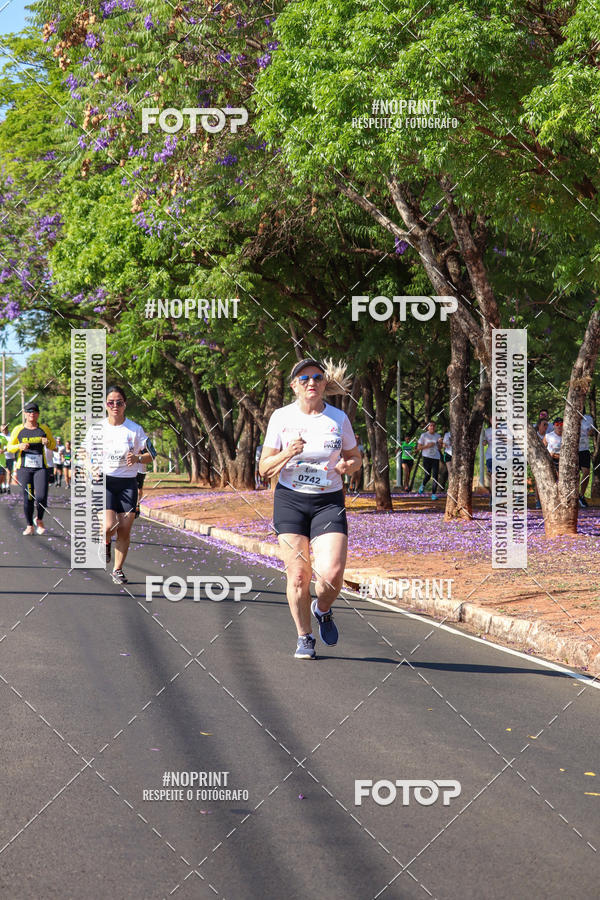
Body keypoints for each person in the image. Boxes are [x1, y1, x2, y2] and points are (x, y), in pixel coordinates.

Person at [259, 359, 362, 660]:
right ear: (293, 385)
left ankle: (323, 608)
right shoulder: (281, 418)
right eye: (304, 379)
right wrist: (287, 453)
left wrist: (348, 466)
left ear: (325, 383)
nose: (311, 383)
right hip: (290, 500)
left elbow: (356, 457)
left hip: (328, 501)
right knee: (299, 577)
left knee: (331, 575)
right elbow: (264, 469)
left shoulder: (338, 418)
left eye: (317, 377)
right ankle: (304, 637)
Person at [85, 386, 152, 584]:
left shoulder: (135, 429)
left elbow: (151, 455)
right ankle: (105, 541)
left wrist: (138, 458)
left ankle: (118, 570)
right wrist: (91, 467)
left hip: (127, 483)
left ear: (125, 404)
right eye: (111, 402)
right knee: (109, 526)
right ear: (105, 405)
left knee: (124, 528)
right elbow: (83, 453)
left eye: (119, 402)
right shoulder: (97, 429)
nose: (115, 406)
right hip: (104, 481)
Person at [7, 402, 56, 536]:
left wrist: (48, 443)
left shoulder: (44, 429)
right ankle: (29, 525)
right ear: (25, 414)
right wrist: (19, 446)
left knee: (41, 496)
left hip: (41, 468)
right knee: (28, 497)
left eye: (34, 412)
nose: (31, 414)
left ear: (38, 414)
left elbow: (54, 446)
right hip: (24, 468)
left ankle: (39, 519)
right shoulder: (18, 429)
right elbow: (10, 447)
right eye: (29, 412)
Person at [416, 421, 443, 500]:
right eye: (430, 426)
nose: (432, 427)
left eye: (434, 426)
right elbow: (419, 448)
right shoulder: (424, 435)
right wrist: (427, 446)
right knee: (427, 476)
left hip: (436, 457)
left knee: (435, 476)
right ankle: (422, 485)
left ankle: (433, 494)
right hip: (426, 457)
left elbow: (440, 448)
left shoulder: (438, 435)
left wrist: (440, 444)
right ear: (428, 427)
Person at [578, 409, 595, 508]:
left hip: (584, 449)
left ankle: (581, 495)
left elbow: (591, 432)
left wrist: (591, 432)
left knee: (586, 472)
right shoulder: (569, 417)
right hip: (572, 450)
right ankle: (574, 495)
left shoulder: (588, 418)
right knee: (575, 474)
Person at [533, 418, 549, 508]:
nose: (546, 427)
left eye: (547, 425)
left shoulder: (548, 436)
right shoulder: (534, 435)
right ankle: (537, 500)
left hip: (547, 460)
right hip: (537, 460)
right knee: (538, 480)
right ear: (539, 425)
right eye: (544, 425)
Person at [0, 424, 8, 494]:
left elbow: (8, 446)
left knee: (2, 475)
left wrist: (3, 450)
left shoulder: (2, 438)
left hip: (2, 460)